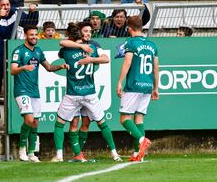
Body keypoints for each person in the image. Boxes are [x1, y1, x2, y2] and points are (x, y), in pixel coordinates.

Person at [52, 23, 121, 162]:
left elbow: (61, 45)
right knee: (102, 123)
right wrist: (88, 54)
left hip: (73, 94)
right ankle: (114, 153)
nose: (88, 34)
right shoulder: (93, 49)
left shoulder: (66, 51)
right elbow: (106, 58)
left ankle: (59, 156)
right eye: (86, 31)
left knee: (59, 123)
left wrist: (80, 48)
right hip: (89, 93)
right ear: (82, 35)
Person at [11, 25, 68, 162]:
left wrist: (60, 66)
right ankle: (22, 149)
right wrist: (24, 67)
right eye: (31, 35)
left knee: (35, 123)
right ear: (25, 35)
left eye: (36, 35)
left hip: (34, 91)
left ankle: (31, 153)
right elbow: (12, 70)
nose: (34, 37)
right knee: (29, 120)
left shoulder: (38, 51)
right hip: (22, 90)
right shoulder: (19, 51)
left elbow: (48, 67)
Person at [0, 0, 38, 134]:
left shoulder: (15, 12)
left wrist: (33, 11)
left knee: (16, 91)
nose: (6, 7)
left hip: (12, 60)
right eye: (3, 5)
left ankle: (13, 122)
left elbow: (31, 23)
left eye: (7, 4)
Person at [117, 16, 159, 162]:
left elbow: (127, 63)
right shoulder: (152, 45)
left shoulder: (131, 43)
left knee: (124, 119)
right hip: (147, 86)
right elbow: (155, 68)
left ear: (129, 28)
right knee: (139, 118)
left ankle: (142, 140)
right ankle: (137, 154)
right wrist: (156, 87)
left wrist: (120, 82)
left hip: (134, 85)